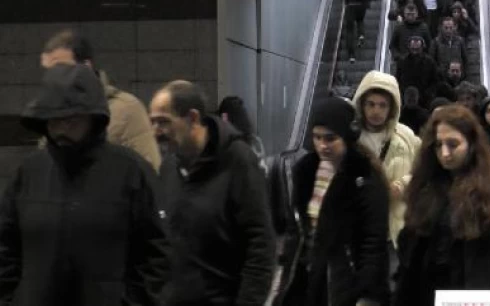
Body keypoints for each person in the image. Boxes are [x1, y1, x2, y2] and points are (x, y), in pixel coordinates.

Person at [0, 64, 169, 305]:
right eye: (53, 121)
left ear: (93, 119)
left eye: (72, 120)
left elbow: (157, 254)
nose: (61, 129)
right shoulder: (28, 173)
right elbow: (7, 250)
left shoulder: (131, 171)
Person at [151, 81, 276, 305]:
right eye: (153, 122)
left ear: (192, 118)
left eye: (163, 122)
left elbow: (261, 245)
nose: (155, 132)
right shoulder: (169, 168)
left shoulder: (238, 160)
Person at [393, 105, 490, 305]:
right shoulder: (425, 186)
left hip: (473, 295)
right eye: (438, 145)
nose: (444, 153)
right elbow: (410, 248)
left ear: (471, 144)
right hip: (426, 292)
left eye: (453, 144)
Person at [276, 98, 390, 306]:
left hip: (343, 281)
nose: (322, 145)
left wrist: (367, 294)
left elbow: (372, 243)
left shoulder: (364, 177)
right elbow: (297, 230)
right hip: (306, 276)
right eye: (317, 137)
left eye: (330, 138)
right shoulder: (306, 171)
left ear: (347, 137)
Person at [40, 29, 161, 172]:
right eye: (48, 71)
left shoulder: (125, 109)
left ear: (86, 67)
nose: (53, 78)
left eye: (60, 69)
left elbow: (148, 171)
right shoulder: (52, 112)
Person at [352, 71, 420, 266]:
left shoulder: (405, 136)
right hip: (362, 226)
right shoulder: (352, 138)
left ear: (392, 108)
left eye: (382, 105)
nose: (376, 111)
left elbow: (420, 168)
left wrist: (402, 184)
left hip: (397, 224)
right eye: (371, 104)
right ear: (362, 105)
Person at [334, 0, 373, 64]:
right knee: (360, 20)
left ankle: (351, 55)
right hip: (361, 3)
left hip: (350, 4)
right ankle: (361, 35)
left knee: (350, 30)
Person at [396, 36, 439, 109]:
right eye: (413, 49)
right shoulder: (402, 61)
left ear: (422, 48)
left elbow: (435, 80)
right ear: (409, 47)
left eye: (417, 49)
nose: (415, 51)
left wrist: (429, 93)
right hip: (406, 98)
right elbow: (398, 78)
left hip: (425, 99)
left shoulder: (430, 62)